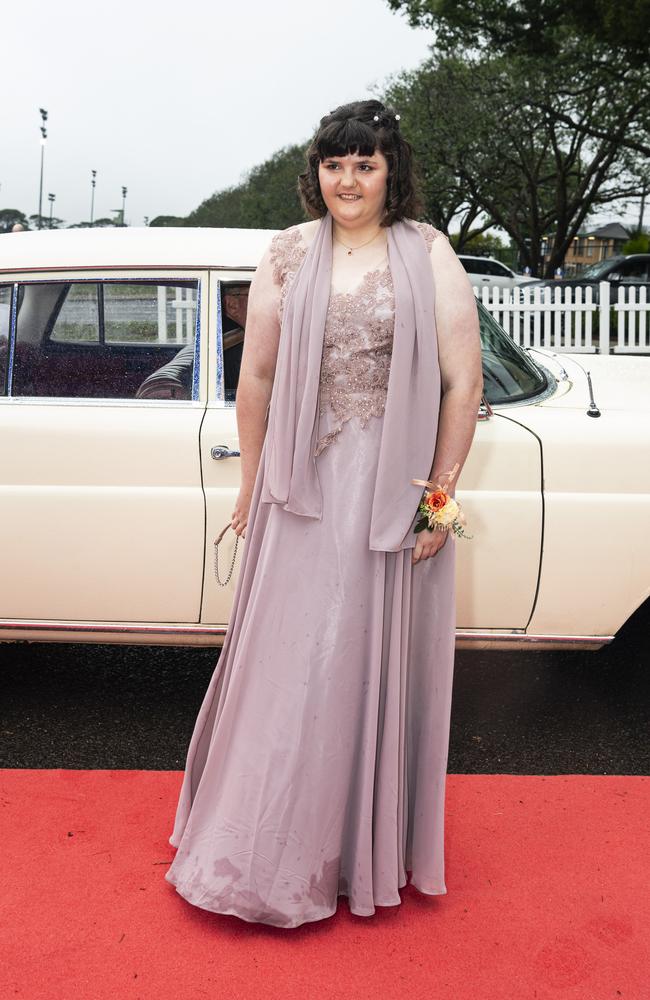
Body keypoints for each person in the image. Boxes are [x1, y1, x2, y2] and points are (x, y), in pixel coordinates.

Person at [165, 99, 483, 929]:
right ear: (317, 172)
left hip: (388, 493)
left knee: (352, 665)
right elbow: (259, 377)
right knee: (285, 664)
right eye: (335, 164)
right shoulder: (287, 252)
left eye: (366, 164)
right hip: (298, 492)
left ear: (391, 172)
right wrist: (252, 483)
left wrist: (439, 503)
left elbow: (463, 384)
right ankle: (260, 845)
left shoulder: (428, 251)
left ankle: (345, 853)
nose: (349, 180)